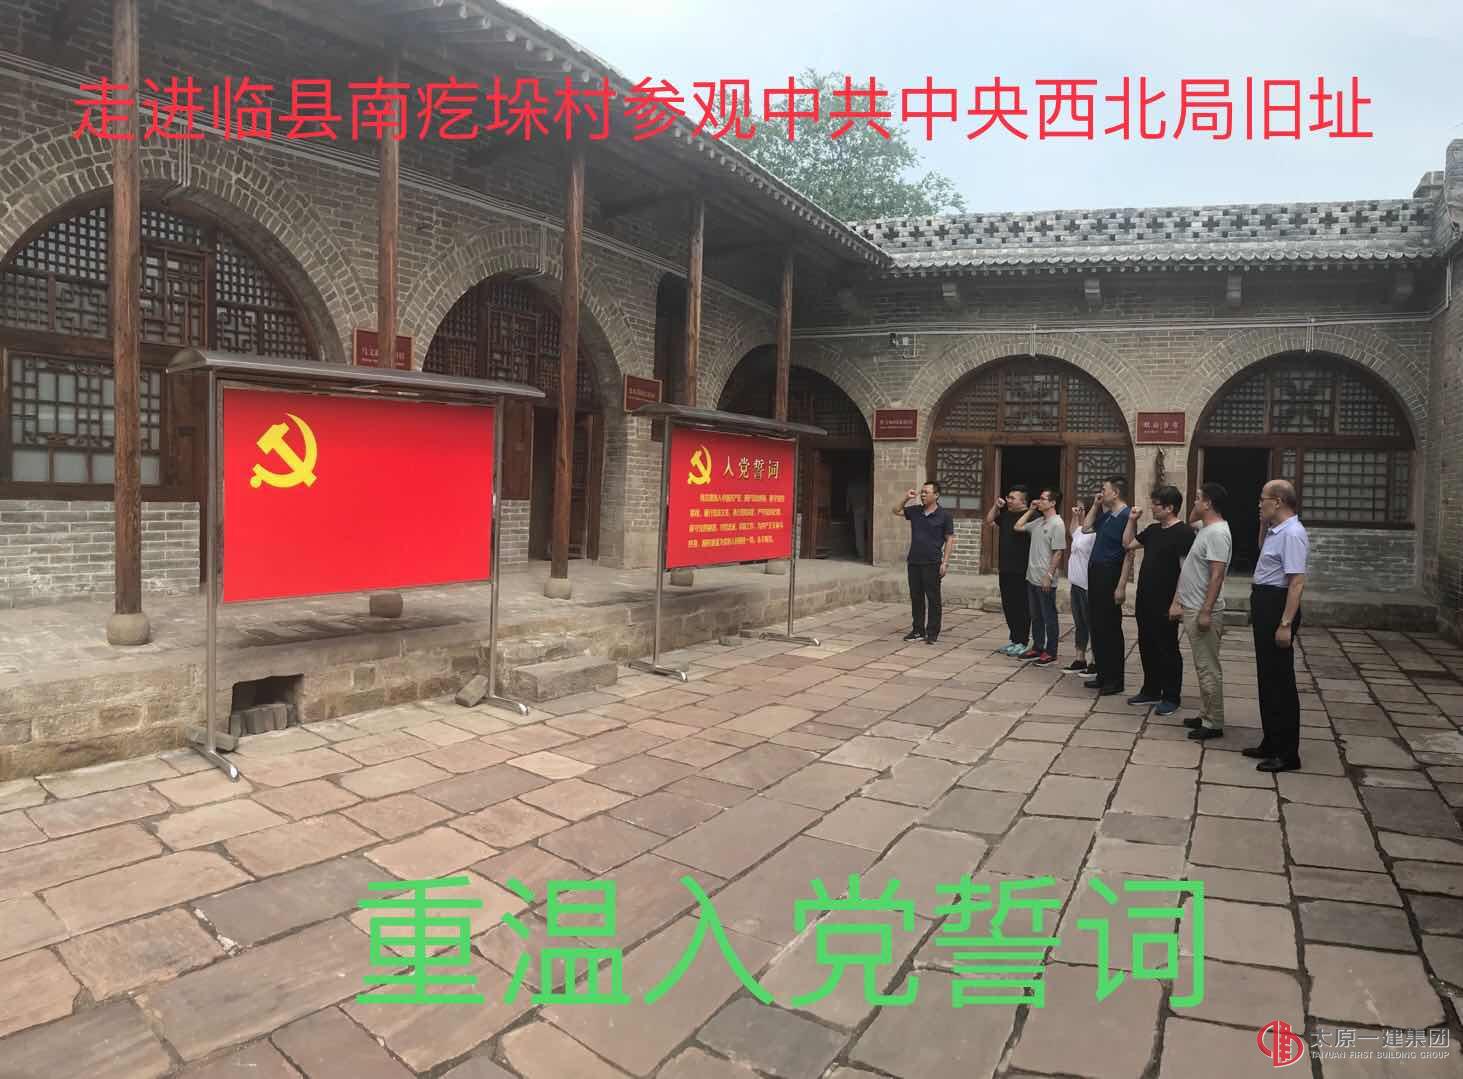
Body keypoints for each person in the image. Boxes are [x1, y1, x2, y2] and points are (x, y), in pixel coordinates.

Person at [1246, 479, 1309, 772]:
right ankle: (1271, 741)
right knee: (1267, 677)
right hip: (1264, 602)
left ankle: (1287, 753)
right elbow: (1264, 552)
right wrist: (1262, 524)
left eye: (1263, 499)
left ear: (1278, 501)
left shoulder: (1293, 533)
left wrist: (1285, 623)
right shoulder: (1276, 530)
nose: (1259, 504)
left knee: (1281, 681)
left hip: (1277, 606)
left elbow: (1296, 582)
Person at [1122, 485, 1194, 715]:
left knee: (1167, 647)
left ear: (1170, 507)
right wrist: (1132, 520)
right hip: (1146, 598)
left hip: (1167, 600)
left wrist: (1177, 602)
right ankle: (1151, 689)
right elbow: (1128, 544)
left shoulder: (1184, 533)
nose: (1151, 508)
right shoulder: (1153, 530)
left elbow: (1186, 571)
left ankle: (1171, 695)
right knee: (1147, 644)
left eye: (1156, 504)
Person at [1169, 482, 1232, 742]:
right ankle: (1205, 713)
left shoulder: (1217, 533)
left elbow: (1217, 575)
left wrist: (1206, 610)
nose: (1193, 503)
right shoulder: (1206, 528)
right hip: (1193, 605)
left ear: (1208, 503)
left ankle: (1213, 722)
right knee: (1201, 664)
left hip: (1202, 609)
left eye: (1198, 499)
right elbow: (1191, 519)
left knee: (1208, 667)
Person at [1081, 475, 1133, 695]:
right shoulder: (1108, 515)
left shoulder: (1127, 516)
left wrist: (1121, 585)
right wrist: (1095, 505)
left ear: (1116, 492)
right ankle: (1102, 675)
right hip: (1096, 572)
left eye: (1104, 489)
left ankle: (1114, 680)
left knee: (1110, 627)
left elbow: (1129, 553)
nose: (1101, 493)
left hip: (1111, 573)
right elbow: (1085, 528)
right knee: (1097, 625)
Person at [894, 480, 955, 644]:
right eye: (921, 492)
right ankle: (918, 630)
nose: (922, 495)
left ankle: (932, 632)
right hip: (914, 561)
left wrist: (945, 562)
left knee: (933, 598)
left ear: (936, 495)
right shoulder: (915, 511)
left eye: (926, 492)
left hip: (932, 562)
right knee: (916, 597)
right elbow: (896, 511)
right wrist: (906, 498)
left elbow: (950, 539)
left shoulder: (944, 516)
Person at [1014, 488, 1066, 665]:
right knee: (1035, 616)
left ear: (1053, 503)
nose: (1039, 501)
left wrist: (1049, 575)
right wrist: (1030, 510)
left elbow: (1058, 552)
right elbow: (1018, 526)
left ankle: (1051, 651)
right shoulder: (1038, 522)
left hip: (1045, 578)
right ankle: (1037, 646)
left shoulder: (1057, 523)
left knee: (1048, 616)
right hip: (1032, 576)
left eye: (1043, 499)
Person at [985, 485, 1032, 655]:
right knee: (1009, 605)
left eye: (1013, 498)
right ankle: (1014, 639)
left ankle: (1023, 641)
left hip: (1022, 569)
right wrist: (996, 506)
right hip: (1005, 568)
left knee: (1022, 606)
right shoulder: (1006, 515)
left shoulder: (1032, 516)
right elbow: (989, 520)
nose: (1008, 500)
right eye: (1008, 497)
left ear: (1023, 501)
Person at [1065, 498, 1097, 675]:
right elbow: (1072, 532)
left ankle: (1095, 660)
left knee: (1091, 623)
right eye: (1078, 508)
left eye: (1082, 509)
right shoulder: (1079, 530)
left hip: (1087, 585)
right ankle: (1080, 658)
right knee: (1079, 623)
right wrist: (1074, 516)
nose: (1079, 511)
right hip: (1075, 583)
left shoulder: (1094, 533)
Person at [847, 473, 870, 561]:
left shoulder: (851, 486)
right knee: (870, 531)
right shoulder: (866, 485)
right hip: (867, 509)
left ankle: (861, 553)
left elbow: (848, 500)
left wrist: (847, 511)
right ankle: (869, 552)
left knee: (859, 533)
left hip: (856, 509)